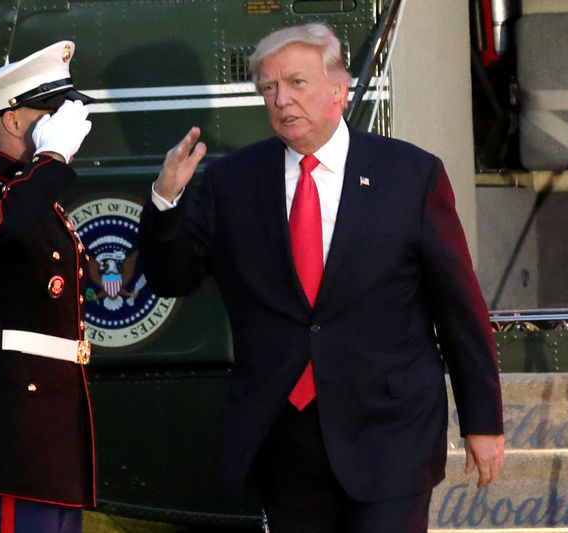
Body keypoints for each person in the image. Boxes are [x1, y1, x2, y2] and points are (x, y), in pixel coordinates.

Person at [138, 23, 504, 533]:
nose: (281, 100)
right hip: (285, 438)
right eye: (269, 88)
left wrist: (482, 421)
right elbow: (170, 278)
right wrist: (165, 202)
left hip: (389, 432)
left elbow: (459, 307)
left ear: (340, 90)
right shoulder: (232, 182)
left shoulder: (409, 175)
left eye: (295, 83)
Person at [0, 41, 96, 533]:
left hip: (50, 429)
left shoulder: (38, 205)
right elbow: (9, 227)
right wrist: (51, 157)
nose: (63, 125)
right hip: (13, 432)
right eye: (49, 113)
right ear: (11, 121)